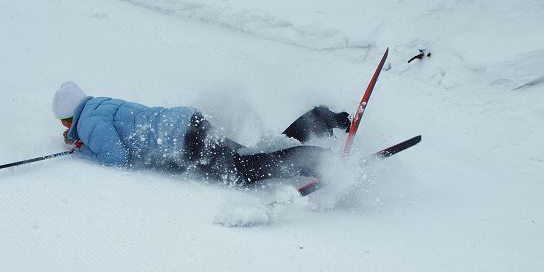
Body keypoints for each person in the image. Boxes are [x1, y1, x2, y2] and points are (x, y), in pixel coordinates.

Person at [52, 81, 351, 185]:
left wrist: (81, 147)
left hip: (181, 139)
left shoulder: (88, 123)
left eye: (64, 123)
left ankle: (320, 162)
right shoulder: (99, 104)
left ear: (67, 118)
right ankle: (319, 118)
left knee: (244, 170)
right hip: (186, 122)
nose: (65, 128)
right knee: (253, 155)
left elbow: (116, 157)